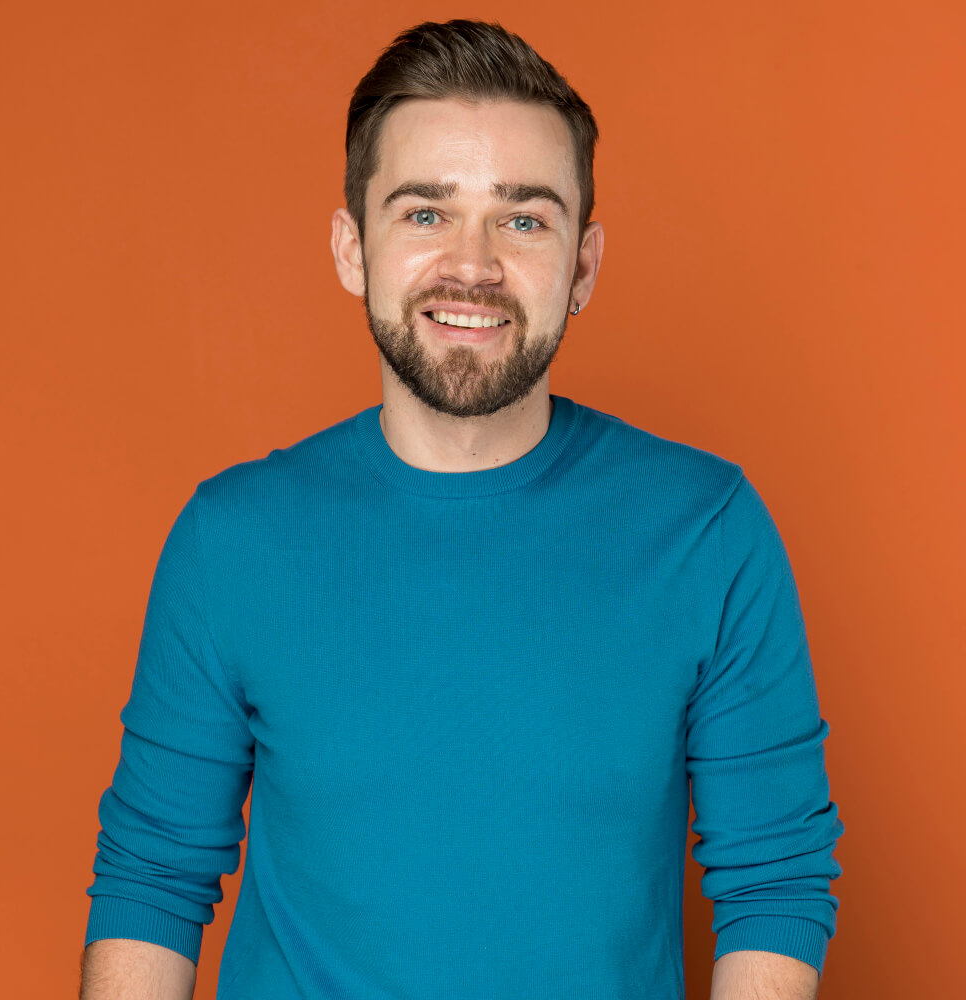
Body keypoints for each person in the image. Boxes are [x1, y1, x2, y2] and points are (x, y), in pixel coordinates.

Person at [80, 18, 844, 1000]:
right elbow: (153, 876)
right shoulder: (231, 541)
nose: (473, 264)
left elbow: (773, 879)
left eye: (523, 220)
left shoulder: (707, 531)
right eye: (425, 213)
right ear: (352, 249)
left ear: (583, 265)